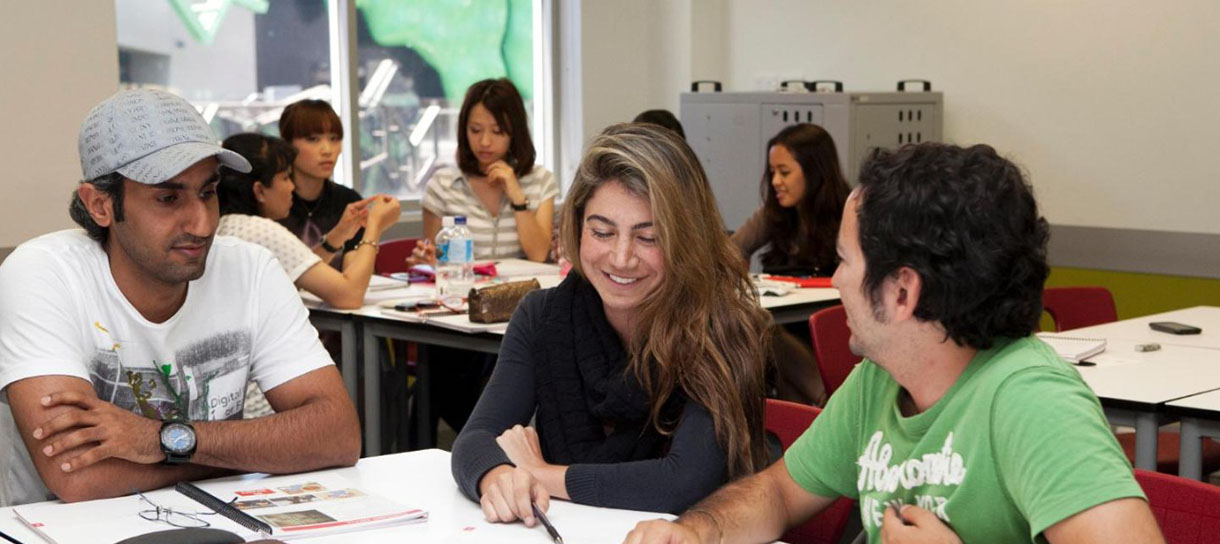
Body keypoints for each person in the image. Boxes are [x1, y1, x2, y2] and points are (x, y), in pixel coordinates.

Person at [624, 143, 1165, 544]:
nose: (835, 281)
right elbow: (779, 492)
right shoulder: (882, 379)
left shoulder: (1031, 402)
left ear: (902, 291)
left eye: (845, 260)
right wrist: (696, 532)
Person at [0, 89, 361, 507]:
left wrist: (160, 440)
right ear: (100, 204)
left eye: (208, 192)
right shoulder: (43, 273)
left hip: (216, 524)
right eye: (168, 198)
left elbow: (339, 435)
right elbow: (78, 477)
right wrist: (248, 454)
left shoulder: (251, 268)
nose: (203, 224)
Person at [450, 123, 773, 527]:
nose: (621, 258)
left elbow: (683, 482)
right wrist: (497, 476)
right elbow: (473, 441)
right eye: (602, 231)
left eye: (649, 237)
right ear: (578, 225)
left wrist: (538, 473)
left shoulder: (723, 328)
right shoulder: (543, 316)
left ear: (687, 239)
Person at [735, 124, 851, 406]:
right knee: (750, 325)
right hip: (787, 328)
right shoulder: (774, 213)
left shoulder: (848, 215)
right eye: (772, 172)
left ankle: (828, 406)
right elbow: (729, 250)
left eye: (784, 172)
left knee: (764, 329)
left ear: (814, 172)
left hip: (834, 331)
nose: (775, 181)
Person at [217, 133, 401, 309]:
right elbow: (349, 296)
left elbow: (300, 270)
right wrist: (375, 225)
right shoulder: (260, 230)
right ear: (259, 191)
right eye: (285, 177)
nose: (292, 186)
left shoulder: (229, 224)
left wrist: (338, 236)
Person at [410, 78, 558, 265]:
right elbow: (433, 260)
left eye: (497, 131)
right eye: (475, 130)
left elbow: (538, 255)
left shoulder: (541, 180)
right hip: (463, 288)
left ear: (515, 133)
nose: (485, 142)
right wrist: (425, 261)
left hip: (525, 291)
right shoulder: (442, 185)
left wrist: (518, 198)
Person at [277, 99, 372, 268]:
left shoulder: (348, 201)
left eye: (334, 138)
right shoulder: (274, 201)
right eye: (313, 139)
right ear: (287, 144)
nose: (327, 150)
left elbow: (355, 275)